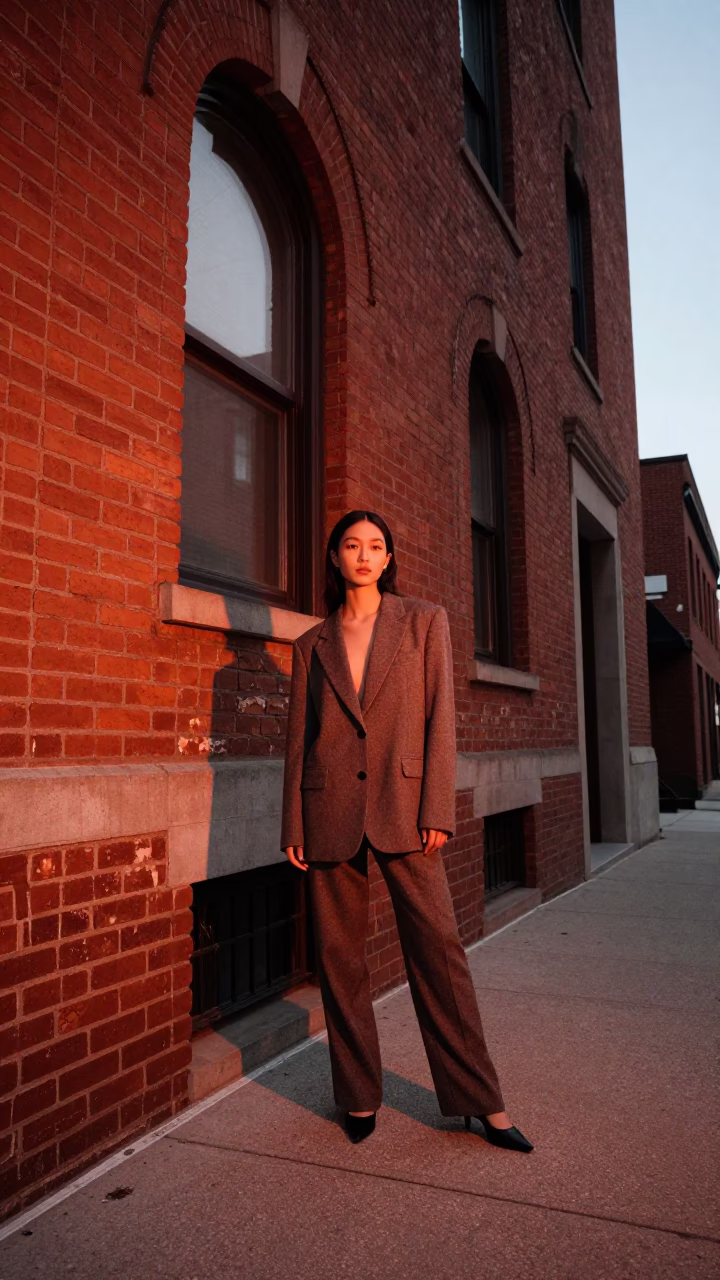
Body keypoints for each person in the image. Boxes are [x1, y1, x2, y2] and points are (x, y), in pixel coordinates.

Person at [281, 510, 532, 1152]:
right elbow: (297, 744)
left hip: (404, 805)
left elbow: (440, 717)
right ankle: (359, 1096)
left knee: (440, 951)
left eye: (376, 546)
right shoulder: (311, 644)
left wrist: (437, 808)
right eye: (351, 546)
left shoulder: (423, 621)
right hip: (329, 809)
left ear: (388, 559)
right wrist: (293, 821)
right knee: (340, 962)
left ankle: (481, 1101)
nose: (364, 556)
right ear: (335, 558)